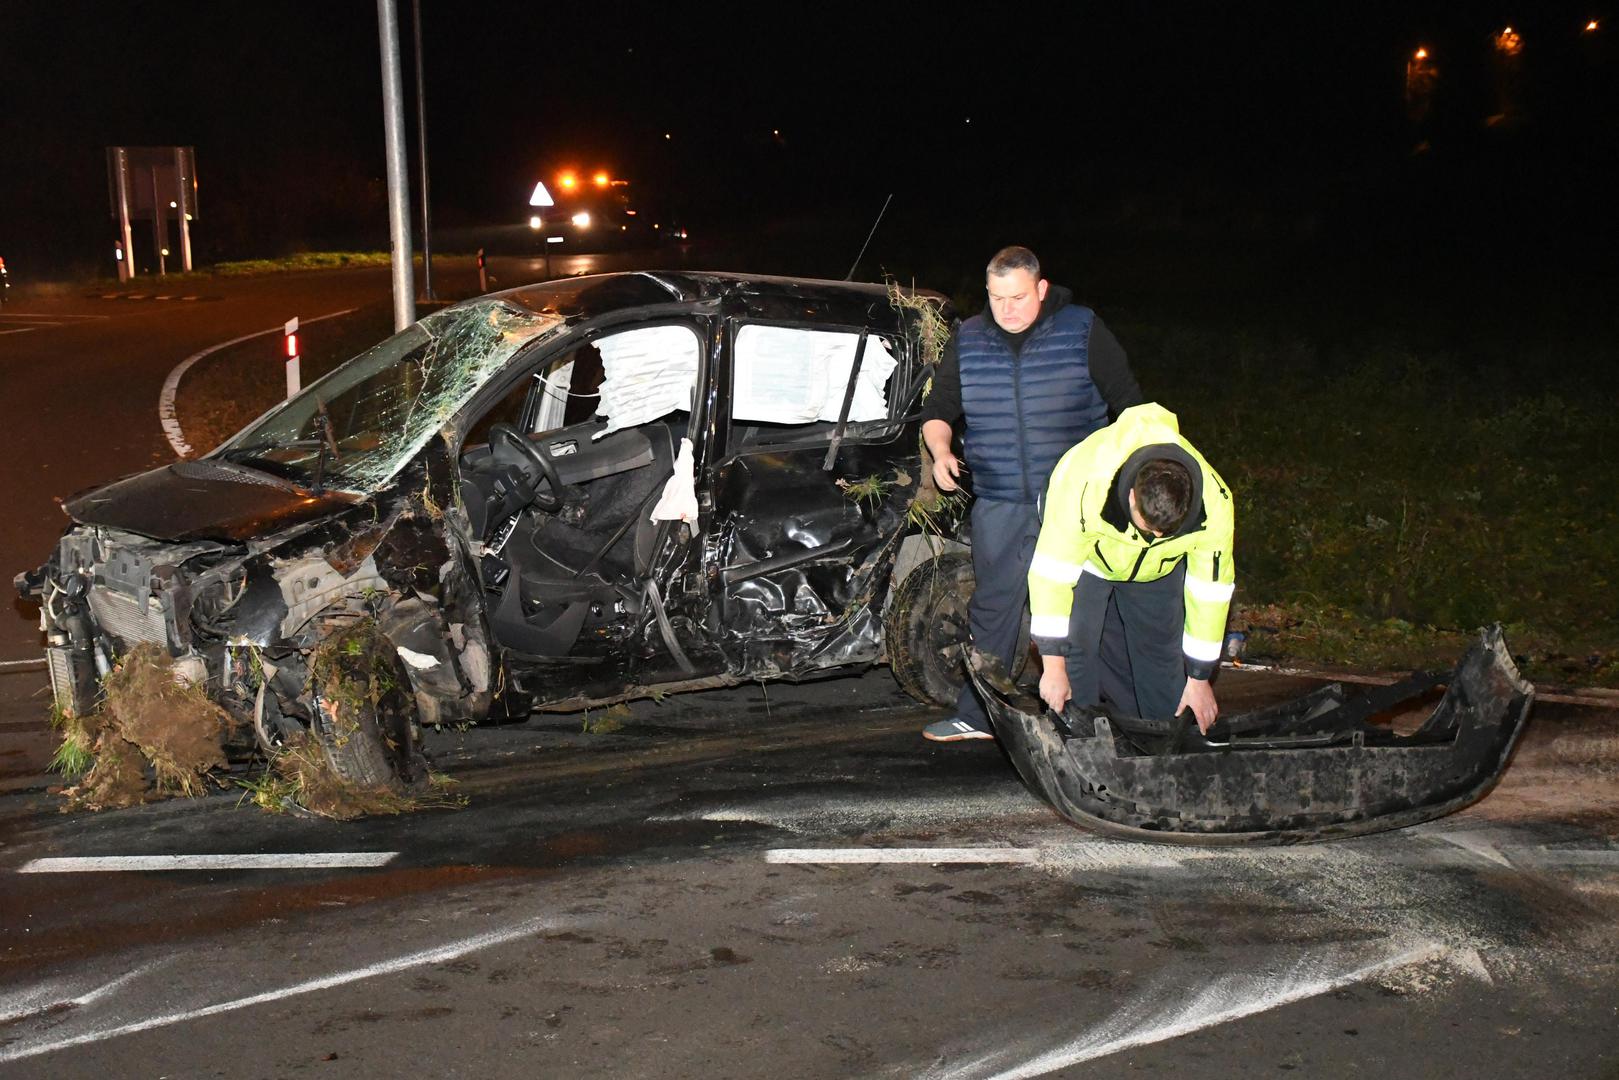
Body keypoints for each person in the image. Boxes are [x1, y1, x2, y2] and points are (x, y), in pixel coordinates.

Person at [919, 246, 1142, 742]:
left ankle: (1134, 716)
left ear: (1041, 289)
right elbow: (939, 407)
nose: (1007, 309)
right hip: (1000, 500)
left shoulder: (1082, 329)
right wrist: (940, 451)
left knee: (1088, 612)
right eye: (996, 298)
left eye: (1018, 297)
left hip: (1077, 503)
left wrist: (1129, 482)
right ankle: (978, 716)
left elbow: (1132, 408)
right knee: (993, 607)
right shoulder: (970, 338)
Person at [1027, 402, 1235, 733]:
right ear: (1134, 497)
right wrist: (1052, 665)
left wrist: (1199, 677)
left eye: (1163, 532)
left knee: (1161, 659)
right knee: (1076, 651)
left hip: (1157, 571)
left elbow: (1210, 593)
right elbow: (1051, 576)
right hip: (1090, 559)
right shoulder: (1085, 485)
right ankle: (1078, 739)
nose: (1151, 537)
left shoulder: (1215, 505)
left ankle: (1159, 747)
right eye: (1146, 528)